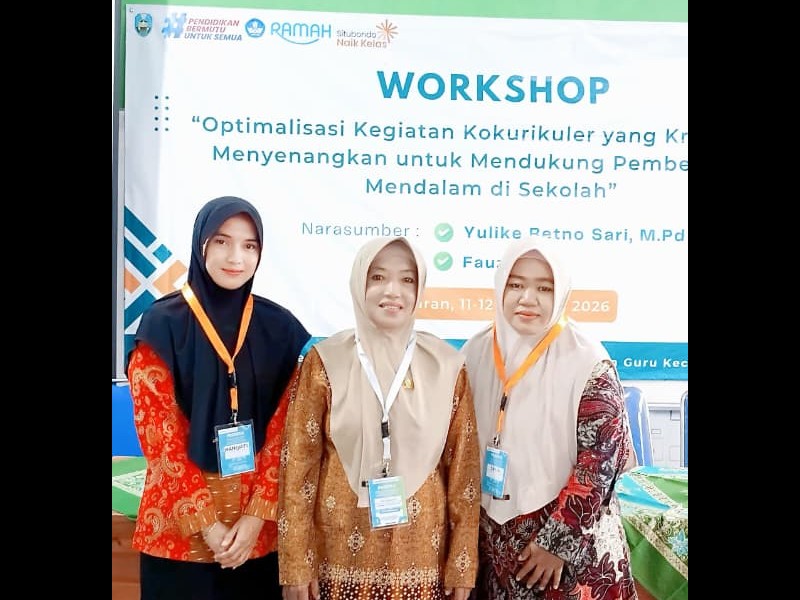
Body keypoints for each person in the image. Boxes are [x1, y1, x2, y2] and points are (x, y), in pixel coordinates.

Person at [127, 196, 311, 600]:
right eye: (223, 241)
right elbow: (160, 439)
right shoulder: (162, 325)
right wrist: (207, 525)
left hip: (256, 542)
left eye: (249, 245)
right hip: (177, 539)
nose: (236, 257)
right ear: (201, 244)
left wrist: (256, 518)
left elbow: (290, 433)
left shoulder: (279, 328)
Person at [278, 236, 481, 600]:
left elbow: (463, 473)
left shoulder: (447, 366)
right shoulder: (325, 361)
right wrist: (296, 563)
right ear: (360, 283)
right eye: (378, 277)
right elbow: (298, 469)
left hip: (423, 559)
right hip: (336, 554)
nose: (392, 291)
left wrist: (462, 564)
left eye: (407, 280)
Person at [461, 239, 638, 600]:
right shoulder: (475, 352)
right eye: (516, 284)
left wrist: (556, 543)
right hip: (495, 546)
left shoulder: (587, 361)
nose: (528, 298)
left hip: (569, 560)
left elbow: (600, 464)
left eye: (544, 288)